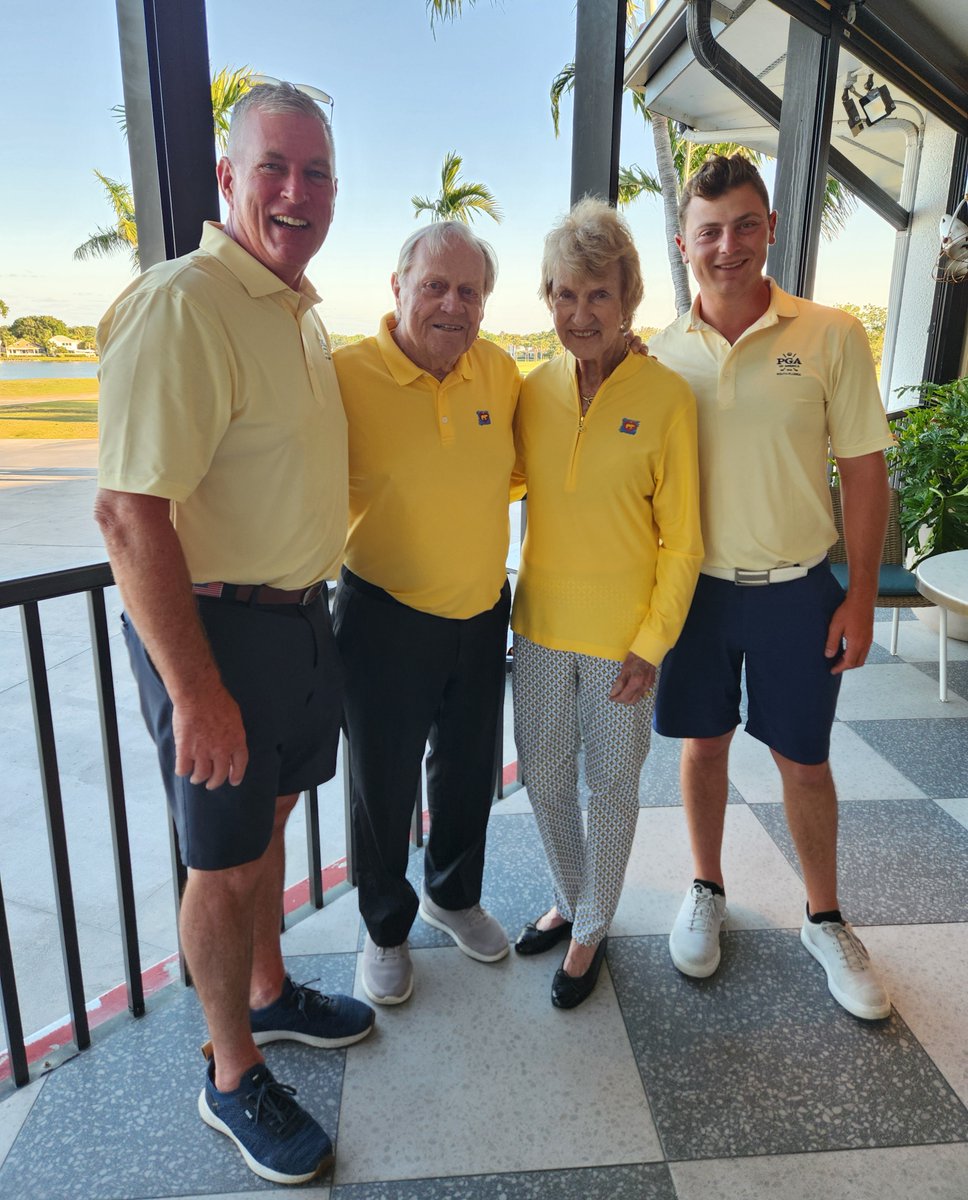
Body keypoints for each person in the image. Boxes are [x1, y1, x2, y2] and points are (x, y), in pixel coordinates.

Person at [94, 82, 374, 1186]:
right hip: (212, 631)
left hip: (297, 620)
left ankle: (269, 993)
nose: (295, 192)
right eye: (273, 168)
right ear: (228, 178)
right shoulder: (188, 302)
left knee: (270, 826)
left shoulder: (293, 309)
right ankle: (227, 1073)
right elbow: (128, 514)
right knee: (220, 860)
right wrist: (197, 691)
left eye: (314, 173)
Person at [649, 155, 894, 1021]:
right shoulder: (659, 353)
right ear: (683, 243)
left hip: (798, 589)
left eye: (744, 225)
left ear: (771, 230)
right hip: (695, 593)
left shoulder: (831, 335)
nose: (728, 246)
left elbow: (864, 473)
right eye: (709, 231)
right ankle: (706, 887)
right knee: (702, 746)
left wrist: (860, 593)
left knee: (805, 762)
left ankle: (824, 917)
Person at [509, 197, 703, 1009]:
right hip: (542, 628)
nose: (579, 313)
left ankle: (590, 927)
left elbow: (683, 542)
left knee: (612, 789)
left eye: (597, 296)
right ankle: (571, 894)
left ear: (628, 303)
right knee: (547, 781)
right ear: (547, 298)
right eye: (564, 294)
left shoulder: (665, 400)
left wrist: (652, 643)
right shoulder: (532, 392)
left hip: (625, 642)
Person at [333, 222, 520, 1006]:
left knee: (469, 769)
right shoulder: (341, 375)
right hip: (383, 615)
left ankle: (452, 895)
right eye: (435, 286)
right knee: (382, 785)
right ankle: (383, 929)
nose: (453, 304)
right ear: (398, 287)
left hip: (481, 610)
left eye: (469, 290)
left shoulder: (502, 371)